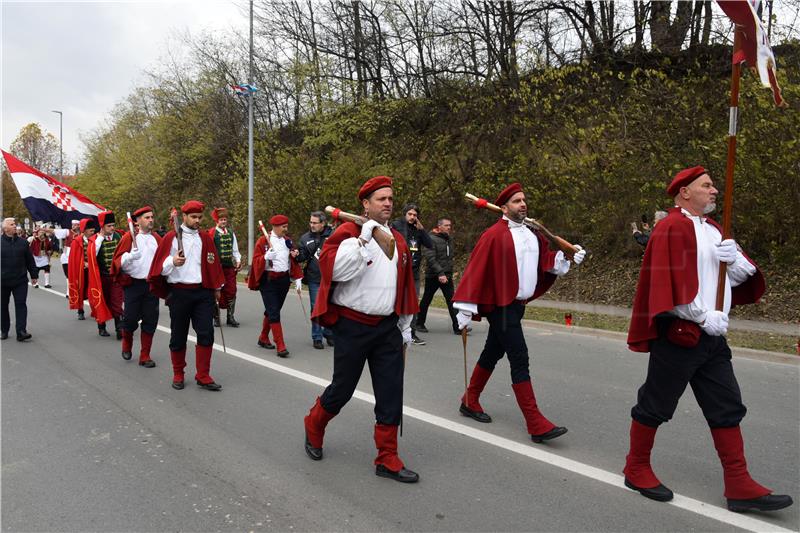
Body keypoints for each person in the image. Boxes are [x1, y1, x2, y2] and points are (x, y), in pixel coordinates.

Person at [624, 166, 793, 512]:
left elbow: (732, 277)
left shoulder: (716, 230)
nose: (714, 191)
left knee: (726, 405)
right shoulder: (669, 228)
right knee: (656, 403)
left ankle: (739, 483)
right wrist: (702, 315)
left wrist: (736, 261)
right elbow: (665, 287)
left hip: (714, 340)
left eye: (714, 185)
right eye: (707, 186)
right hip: (679, 335)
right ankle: (636, 467)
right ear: (685, 192)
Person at [303, 176, 420, 483]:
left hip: (386, 327)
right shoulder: (348, 232)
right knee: (342, 389)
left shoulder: (398, 238)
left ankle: (387, 457)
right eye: (381, 199)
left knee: (390, 391)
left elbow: (404, 283)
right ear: (365, 205)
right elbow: (335, 271)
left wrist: (405, 324)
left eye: (390, 198)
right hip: (352, 326)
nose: (388, 203)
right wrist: (363, 240)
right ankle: (314, 424)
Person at [452, 182, 586, 443]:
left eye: (524, 200)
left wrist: (566, 257)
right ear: (504, 207)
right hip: (501, 307)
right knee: (519, 357)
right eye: (516, 201)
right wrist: (466, 309)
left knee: (493, 351)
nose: (522, 204)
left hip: (518, 306)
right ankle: (535, 423)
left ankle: (469, 399)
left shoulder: (532, 233)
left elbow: (544, 262)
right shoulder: (493, 235)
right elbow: (476, 270)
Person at [148, 200, 225, 391]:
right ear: (184, 217)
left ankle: (203, 375)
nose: (197, 220)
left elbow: (213, 264)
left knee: (206, 333)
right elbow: (159, 268)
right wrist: (173, 261)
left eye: (200, 217)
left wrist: (217, 287)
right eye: (193, 217)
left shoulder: (205, 237)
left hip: (202, 292)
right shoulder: (171, 238)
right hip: (179, 292)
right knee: (178, 335)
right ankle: (178, 373)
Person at [111, 206, 161, 368]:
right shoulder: (128, 237)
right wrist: (129, 257)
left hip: (151, 285)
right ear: (137, 221)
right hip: (133, 285)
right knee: (131, 319)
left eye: (152, 217)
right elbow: (117, 262)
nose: (151, 220)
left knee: (150, 320)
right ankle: (127, 343)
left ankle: (145, 355)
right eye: (147, 217)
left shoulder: (157, 238)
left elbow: (164, 259)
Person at [247, 214, 302, 357]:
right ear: (275, 227)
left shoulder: (287, 241)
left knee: (274, 309)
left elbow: (293, 260)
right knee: (274, 312)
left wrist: (297, 278)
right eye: (283, 227)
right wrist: (265, 258)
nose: (286, 229)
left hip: (283, 280)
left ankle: (263, 338)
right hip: (268, 280)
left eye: (286, 226)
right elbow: (255, 261)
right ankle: (280, 345)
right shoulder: (262, 241)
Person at [391, 203, 433, 345]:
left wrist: (422, 229)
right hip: (398, 271)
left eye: (415, 215)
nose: (412, 217)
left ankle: (412, 332)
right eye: (410, 214)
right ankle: (393, 330)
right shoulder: (396, 226)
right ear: (404, 214)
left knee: (413, 302)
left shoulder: (418, 229)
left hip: (413, 273)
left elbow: (430, 244)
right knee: (395, 300)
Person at [416, 217, 461, 335]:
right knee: (427, 299)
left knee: (452, 300)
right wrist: (440, 273)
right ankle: (419, 323)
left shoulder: (448, 239)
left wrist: (448, 273)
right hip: (433, 275)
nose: (449, 227)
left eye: (450, 225)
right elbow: (430, 258)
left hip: (446, 275)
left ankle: (458, 327)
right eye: (446, 225)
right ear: (439, 226)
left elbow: (448, 258)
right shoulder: (431, 239)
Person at [296, 211, 334, 349]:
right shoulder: (305, 238)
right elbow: (302, 256)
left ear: (323, 223)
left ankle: (329, 333)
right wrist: (297, 255)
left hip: (331, 278)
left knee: (330, 307)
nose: (312, 225)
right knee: (316, 307)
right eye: (310, 222)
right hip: (314, 278)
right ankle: (317, 337)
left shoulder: (333, 235)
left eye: (314, 223)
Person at [68, 218, 112, 325]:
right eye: (91, 231)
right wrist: (83, 263)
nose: (93, 232)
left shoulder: (97, 240)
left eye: (93, 230)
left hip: (94, 270)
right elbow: (74, 259)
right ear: (84, 230)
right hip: (81, 271)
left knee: (93, 291)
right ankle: (80, 310)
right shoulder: (77, 241)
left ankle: (95, 310)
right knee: (80, 289)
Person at [90, 211, 125, 339]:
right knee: (102, 301)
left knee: (116, 302)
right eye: (109, 226)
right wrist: (100, 237)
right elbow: (92, 254)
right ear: (102, 227)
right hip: (101, 277)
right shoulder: (95, 239)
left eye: (113, 225)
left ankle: (119, 328)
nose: (112, 228)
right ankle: (101, 326)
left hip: (115, 277)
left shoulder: (118, 237)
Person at [1, 218, 37, 341]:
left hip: (20, 280)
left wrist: (34, 275)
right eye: (12, 224)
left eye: (15, 224)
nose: (15, 226)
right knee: (2, 306)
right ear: (5, 228)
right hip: (2, 281)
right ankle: (4, 330)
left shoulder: (23, 243)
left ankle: (21, 331)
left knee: (21, 304)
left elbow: (30, 260)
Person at [209, 207, 242, 327]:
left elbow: (235, 250)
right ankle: (216, 318)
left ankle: (230, 317)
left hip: (229, 268)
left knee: (232, 291)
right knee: (217, 292)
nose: (224, 222)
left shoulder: (231, 233)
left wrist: (238, 260)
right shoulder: (212, 233)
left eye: (225, 219)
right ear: (217, 221)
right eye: (221, 220)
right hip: (217, 269)